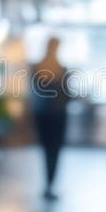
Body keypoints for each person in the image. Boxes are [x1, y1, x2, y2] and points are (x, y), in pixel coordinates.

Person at [30, 37, 70, 200]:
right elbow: (66, 95)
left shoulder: (37, 68)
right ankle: (50, 184)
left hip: (43, 116)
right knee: (54, 151)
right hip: (57, 116)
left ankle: (48, 184)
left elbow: (34, 94)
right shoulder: (61, 69)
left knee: (47, 151)